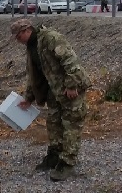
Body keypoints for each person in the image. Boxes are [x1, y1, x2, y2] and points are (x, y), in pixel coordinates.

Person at [11, 18, 90, 182]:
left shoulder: (51, 38)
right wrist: (29, 97)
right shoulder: (32, 47)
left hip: (70, 90)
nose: (17, 41)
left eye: (18, 37)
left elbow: (70, 60)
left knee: (71, 124)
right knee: (53, 123)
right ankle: (55, 155)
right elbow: (35, 75)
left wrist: (71, 85)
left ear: (26, 31)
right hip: (54, 91)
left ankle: (67, 163)